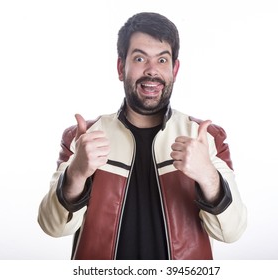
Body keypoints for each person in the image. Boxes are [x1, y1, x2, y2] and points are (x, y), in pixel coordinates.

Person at [38, 12, 247, 260]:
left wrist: (207, 176)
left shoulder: (206, 137)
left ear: (174, 69)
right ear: (120, 67)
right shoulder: (83, 137)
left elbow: (232, 233)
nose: (151, 71)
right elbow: (53, 227)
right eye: (139, 58)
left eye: (162, 60)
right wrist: (76, 173)